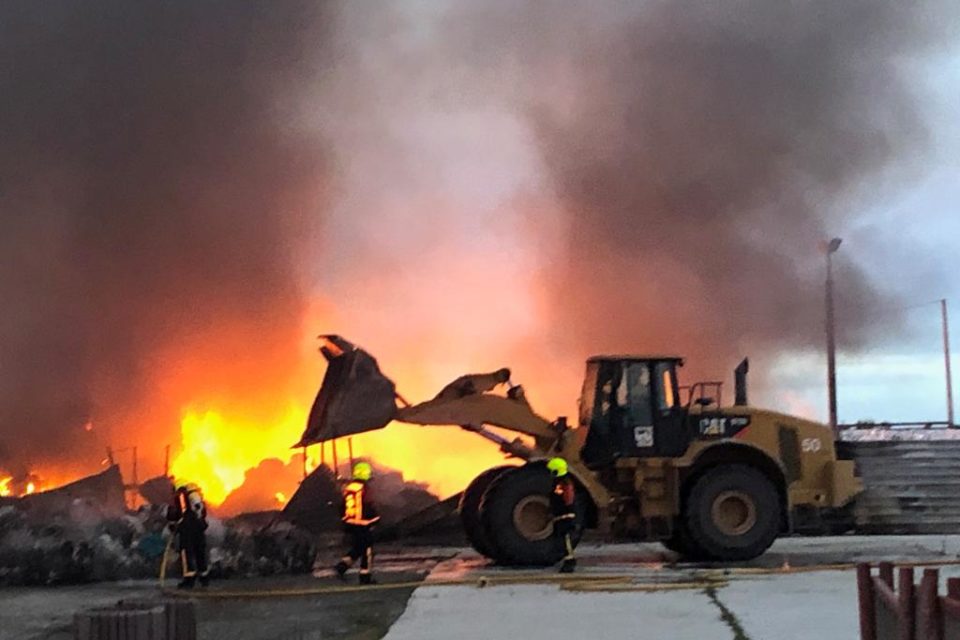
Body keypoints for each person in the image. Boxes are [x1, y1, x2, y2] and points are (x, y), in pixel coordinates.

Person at [335, 462, 380, 584]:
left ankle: (342, 566)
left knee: (358, 548)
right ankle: (365, 577)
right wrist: (376, 519)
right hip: (363, 525)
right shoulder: (365, 488)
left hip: (350, 524)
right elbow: (369, 506)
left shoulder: (349, 488)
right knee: (367, 550)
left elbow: (341, 506)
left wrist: (345, 520)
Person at [167, 482, 209, 588]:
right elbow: (202, 513)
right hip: (199, 529)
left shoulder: (182, 497)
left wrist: (173, 524)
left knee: (187, 554)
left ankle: (189, 580)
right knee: (200, 553)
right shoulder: (198, 497)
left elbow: (180, 513)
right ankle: (204, 578)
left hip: (187, 530)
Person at [547, 457, 577, 573]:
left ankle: (570, 561)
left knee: (565, 540)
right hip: (560, 515)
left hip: (565, 515)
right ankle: (567, 560)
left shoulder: (565, 483)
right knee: (560, 540)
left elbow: (568, 498)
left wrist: (565, 508)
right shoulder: (559, 483)